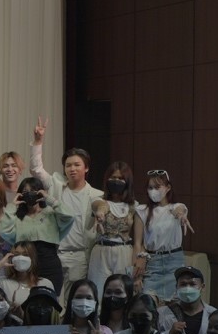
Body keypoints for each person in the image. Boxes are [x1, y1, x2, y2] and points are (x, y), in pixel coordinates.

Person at [29, 117, 103, 296]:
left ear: (86, 168)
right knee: (51, 296)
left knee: (74, 298)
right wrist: (38, 141)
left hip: (80, 255)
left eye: (77, 165)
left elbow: (101, 208)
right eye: (68, 165)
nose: (72, 169)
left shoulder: (95, 194)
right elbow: (36, 169)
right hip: (55, 253)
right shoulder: (56, 184)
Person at [0, 177, 70, 294]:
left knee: (50, 299)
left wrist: (49, 199)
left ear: (40, 192)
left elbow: (69, 217)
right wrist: (12, 206)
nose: (29, 194)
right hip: (25, 267)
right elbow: (3, 230)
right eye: (25, 192)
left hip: (49, 264)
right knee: (25, 299)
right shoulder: (17, 217)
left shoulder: (50, 213)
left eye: (33, 191)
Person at [88, 162, 145, 299]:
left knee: (122, 292)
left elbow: (139, 240)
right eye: (113, 177)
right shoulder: (98, 200)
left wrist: (137, 265)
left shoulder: (134, 206)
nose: (116, 181)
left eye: (120, 178)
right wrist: (100, 212)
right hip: (101, 251)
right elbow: (99, 206)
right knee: (99, 293)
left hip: (124, 251)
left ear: (127, 181)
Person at [138, 170, 191, 300]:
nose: (153, 191)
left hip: (174, 260)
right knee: (149, 300)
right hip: (152, 261)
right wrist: (138, 270)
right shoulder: (142, 210)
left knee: (174, 301)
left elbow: (179, 210)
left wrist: (181, 216)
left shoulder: (176, 206)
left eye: (157, 187)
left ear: (168, 187)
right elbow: (138, 243)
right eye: (150, 188)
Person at [0, 241, 55, 310]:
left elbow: (54, 312)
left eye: (25, 254)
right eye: (16, 254)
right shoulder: (0, 283)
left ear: (33, 259)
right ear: (11, 258)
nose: (20, 258)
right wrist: (0, 264)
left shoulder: (45, 284)